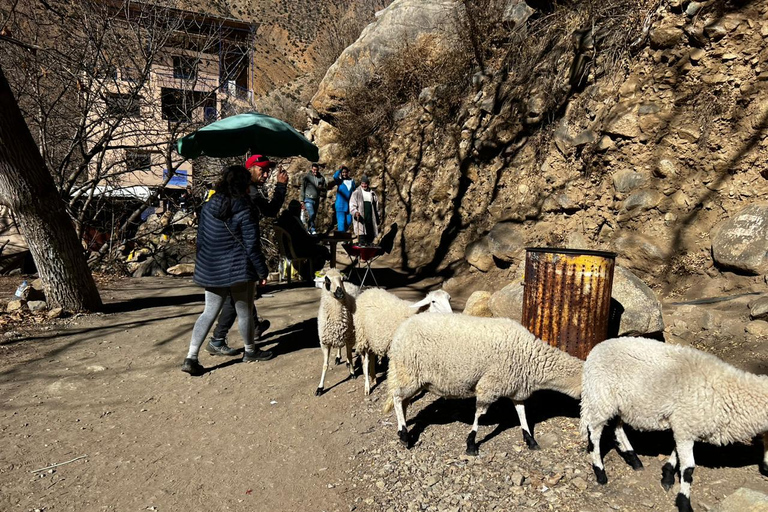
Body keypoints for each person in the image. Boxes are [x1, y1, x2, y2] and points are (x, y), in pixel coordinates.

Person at [181, 165, 270, 376]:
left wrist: (203, 266)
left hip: (211, 268)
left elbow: (201, 241)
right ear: (243, 184)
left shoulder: (209, 205)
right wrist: (262, 271)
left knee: (208, 312)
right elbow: (251, 245)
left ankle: (191, 357)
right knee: (245, 312)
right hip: (238, 268)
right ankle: (250, 351)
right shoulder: (245, 208)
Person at [205, 154, 288, 357]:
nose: (266, 174)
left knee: (240, 297)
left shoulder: (240, 190)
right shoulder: (247, 191)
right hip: (237, 253)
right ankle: (219, 339)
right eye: (262, 170)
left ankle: (252, 327)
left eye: (268, 170)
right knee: (237, 298)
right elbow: (269, 211)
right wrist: (281, 187)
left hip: (224, 252)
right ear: (249, 169)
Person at [276, 200, 330, 279]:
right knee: (323, 251)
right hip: (297, 250)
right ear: (298, 210)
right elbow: (304, 238)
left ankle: (306, 272)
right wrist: (318, 237)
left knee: (319, 250)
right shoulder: (294, 221)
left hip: (286, 250)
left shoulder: (283, 219)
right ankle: (308, 273)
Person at [349, 174, 380, 245]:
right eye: (362, 184)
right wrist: (355, 212)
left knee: (370, 239)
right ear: (360, 184)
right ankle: (361, 254)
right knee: (362, 240)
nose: (364, 185)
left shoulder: (372, 194)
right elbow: (352, 206)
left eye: (365, 184)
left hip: (370, 220)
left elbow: (376, 207)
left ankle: (368, 254)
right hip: (361, 220)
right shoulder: (356, 193)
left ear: (368, 184)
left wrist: (378, 216)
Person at [300, 162, 326, 235]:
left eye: (316, 170)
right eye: (314, 170)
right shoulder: (307, 178)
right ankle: (312, 229)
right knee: (311, 213)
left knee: (314, 215)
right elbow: (302, 188)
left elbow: (324, 189)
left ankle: (308, 229)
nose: (315, 171)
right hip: (308, 198)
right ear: (311, 169)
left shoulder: (321, 178)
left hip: (316, 199)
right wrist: (301, 200)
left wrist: (322, 191)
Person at [332, 165, 356, 232]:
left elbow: (354, 192)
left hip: (349, 205)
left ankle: (343, 235)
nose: (344, 174)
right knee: (341, 222)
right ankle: (341, 238)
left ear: (348, 172)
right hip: (340, 205)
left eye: (345, 172)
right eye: (343, 172)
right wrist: (339, 170)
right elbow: (335, 177)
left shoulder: (352, 181)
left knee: (349, 221)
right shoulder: (339, 181)